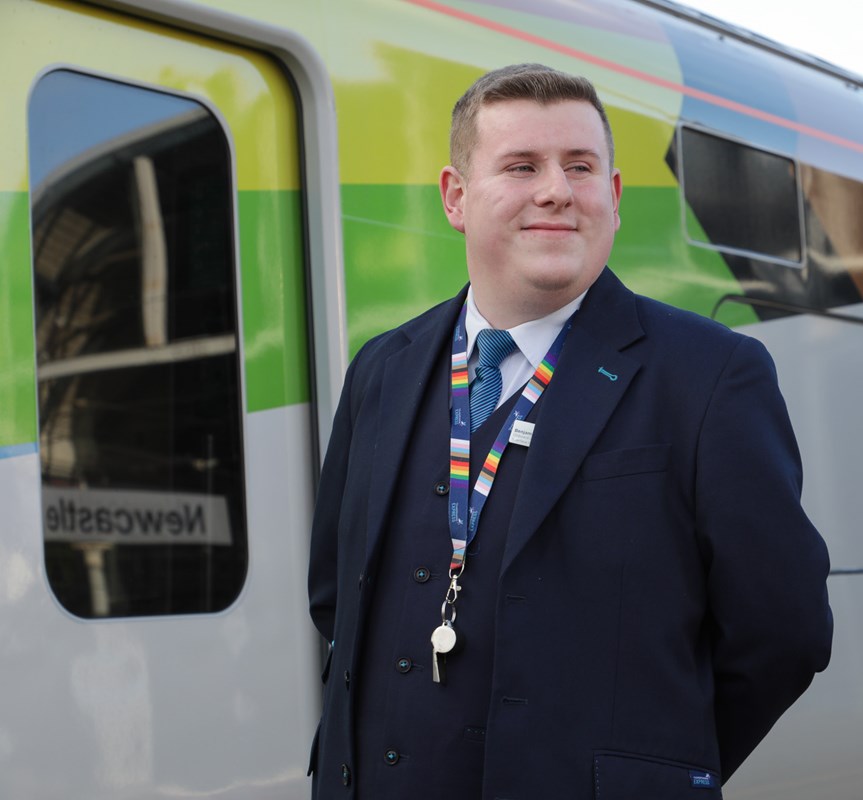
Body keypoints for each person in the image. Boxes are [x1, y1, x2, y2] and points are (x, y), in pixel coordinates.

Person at [307, 63, 832, 799]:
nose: (555, 190)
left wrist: (651, 771)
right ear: (456, 198)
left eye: (579, 167)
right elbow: (337, 597)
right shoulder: (381, 371)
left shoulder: (712, 375)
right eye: (521, 165)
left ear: (612, 199)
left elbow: (784, 632)